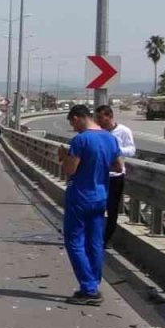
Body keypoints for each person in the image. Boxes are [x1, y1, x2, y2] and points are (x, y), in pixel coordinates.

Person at [59, 105, 124, 306]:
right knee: (94, 242)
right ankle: (94, 282)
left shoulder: (81, 140)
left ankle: (89, 289)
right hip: (100, 196)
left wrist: (63, 157)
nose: (73, 127)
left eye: (72, 123)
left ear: (78, 118)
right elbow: (118, 166)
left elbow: (71, 169)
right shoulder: (110, 138)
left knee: (75, 241)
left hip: (80, 196)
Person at [94, 105, 135, 248]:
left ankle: (106, 239)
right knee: (97, 206)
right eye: (96, 117)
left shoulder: (123, 131)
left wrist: (115, 150)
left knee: (112, 209)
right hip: (99, 175)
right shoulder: (97, 132)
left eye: (100, 117)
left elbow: (131, 150)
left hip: (116, 175)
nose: (98, 120)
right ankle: (95, 236)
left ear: (109, 116)